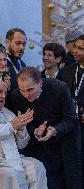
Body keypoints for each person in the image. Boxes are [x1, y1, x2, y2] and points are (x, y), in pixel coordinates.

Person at [9, 67, 81, 189]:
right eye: (22, 90)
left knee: (71, 181)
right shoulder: (16, 95)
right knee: (46, 181)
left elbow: (71, 119)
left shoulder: (60, 88)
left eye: (30, 90)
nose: (26, 95)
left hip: (65, 142)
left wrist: (54, 130)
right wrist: (35, 131)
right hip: (39, 146)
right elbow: (22, 124)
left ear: (40, 83)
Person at [58, 34, 84, 188]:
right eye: (75, 47)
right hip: (69, 127)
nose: (75, 51)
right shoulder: (66, 71)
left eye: (80, 48)